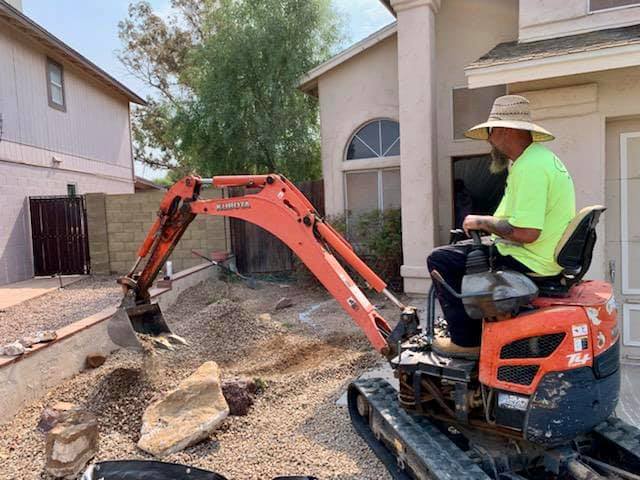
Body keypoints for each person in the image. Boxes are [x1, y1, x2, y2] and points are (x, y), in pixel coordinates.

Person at [427, 95, 576, 359]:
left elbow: (528, 233)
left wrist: (481, 222)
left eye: (491, 132)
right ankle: (481, 325)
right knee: (462, 249)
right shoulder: (540, 159)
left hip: (528, 258)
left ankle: (467, 340)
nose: (488, 140)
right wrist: (487, 225)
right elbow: (516, 222)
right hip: (537, 254)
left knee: (440, 260)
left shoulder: (530, 167)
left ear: (507, 130)